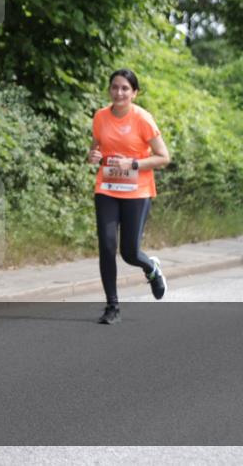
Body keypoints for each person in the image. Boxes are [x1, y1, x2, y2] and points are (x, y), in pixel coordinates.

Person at [86, 69, 171, 325]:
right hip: (107, 189)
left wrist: (133, 164)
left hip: (137, 191)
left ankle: (151, 268)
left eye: (125, 88)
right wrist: (92, 157)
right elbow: (95, 148)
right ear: (110, 90)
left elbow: (163, 157)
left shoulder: (143, 119)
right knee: (107, 246)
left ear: (134, 93)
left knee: (130, 252)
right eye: (115, 87)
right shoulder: (100, 116)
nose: (119, 92)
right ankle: (112, 307)